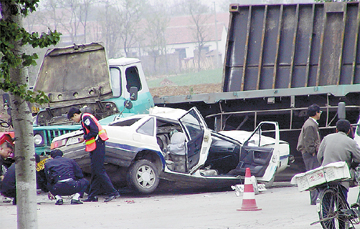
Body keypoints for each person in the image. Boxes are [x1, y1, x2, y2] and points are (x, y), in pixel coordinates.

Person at [67, 107, 120, 202]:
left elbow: (94, 131)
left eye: (72, 119)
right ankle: (93, 195)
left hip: (98, 144)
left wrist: (84, 137)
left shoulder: (86, 118)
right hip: (95, 146)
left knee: (99, 170)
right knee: (95, 171)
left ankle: (112, 192)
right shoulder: (84, 119)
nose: (73, 121)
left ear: (75, 115)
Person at [317, 119, 360, 201]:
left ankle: (326, 213)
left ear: (336, 129)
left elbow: (319, 156)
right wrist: (351, 166)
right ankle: (341, 212)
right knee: (341, 202)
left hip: (327, 175)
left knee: (326, 200)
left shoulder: (326, 138)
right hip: (342, 177)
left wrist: (324, 164)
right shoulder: (351, 142)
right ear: (348, 131)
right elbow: (358, 158)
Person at [297, 104, 322, 205]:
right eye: (319, 112)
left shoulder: (311, 123)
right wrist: (312, 151)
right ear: (316, 113)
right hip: (310, 154)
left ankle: (315, 198)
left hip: (310, 153)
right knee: (313, 175)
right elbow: (308, 141)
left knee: (314, 175)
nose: (320, 114)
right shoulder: (310, 125)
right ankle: (314, 199)